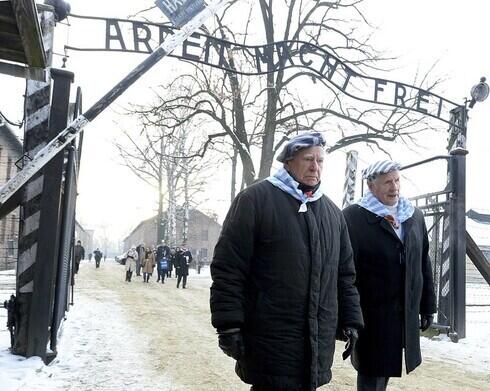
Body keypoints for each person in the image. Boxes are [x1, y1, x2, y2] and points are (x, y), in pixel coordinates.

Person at [210, 132, 363, 391]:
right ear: (289, 161)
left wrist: (350, 320)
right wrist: (229, 324)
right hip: (269, 338)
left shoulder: (332, 213)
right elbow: (229, 268)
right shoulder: (254, 201)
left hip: (317, 341)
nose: (315, 166)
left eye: (320, 160)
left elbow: (344, 275)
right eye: (308, 159)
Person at [342, 160, 436, 391]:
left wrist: (427, 306)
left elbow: (423, 262)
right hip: (370, 316)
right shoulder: (353, 217)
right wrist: (348, 316)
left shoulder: (413, 216)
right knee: (371, 373)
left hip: (402, 312)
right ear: (371, 186)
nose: (394, 187)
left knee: (384, 374)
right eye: (387, 182)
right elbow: (344, 272)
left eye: (396, 180)